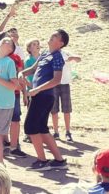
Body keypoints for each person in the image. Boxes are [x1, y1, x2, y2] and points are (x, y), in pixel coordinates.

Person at [18, 30, 69, 171]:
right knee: (41, 128)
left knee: (30, 127)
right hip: (39, 95)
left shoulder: (57, 57)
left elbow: (56, 80)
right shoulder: (46, 53)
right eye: (52, 35)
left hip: (44, 96)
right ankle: (59, 161)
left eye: (55, 36)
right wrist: (22, 72)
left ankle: (42, 161)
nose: (51, 37)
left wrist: (37, 89)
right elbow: (33, 69)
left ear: (61, 43)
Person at [51, 49, 81, 142]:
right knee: (54, 110)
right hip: (54, 83)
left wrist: (73, 57)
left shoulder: (66, 52)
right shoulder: (50, 53)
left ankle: (68, 132)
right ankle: (56, 132)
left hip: (65, 83)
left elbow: (79, 59)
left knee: (66, 109)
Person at [22, 39, 40, 143]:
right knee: (30, 112)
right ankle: (27, 134)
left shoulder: (42, 58)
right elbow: (26, 76)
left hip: (42, 88)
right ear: (29, 48)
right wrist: (32, 87)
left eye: (38, 44)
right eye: (34, 44)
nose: (37, 46)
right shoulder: (28, 60)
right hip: (32, 89)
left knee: (40, 112)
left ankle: (37, 133)